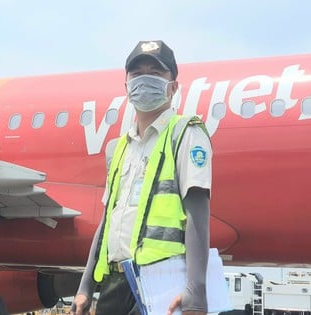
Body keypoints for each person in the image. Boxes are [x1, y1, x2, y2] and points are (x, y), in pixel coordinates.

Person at [71, 40, 212, 315]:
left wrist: (196, 289)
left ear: (173, 86)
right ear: (126, 87)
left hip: (161, 281)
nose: (145, 80)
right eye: (137, 75)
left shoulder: (185, 133)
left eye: (156, 74)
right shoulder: (119, 147)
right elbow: (107, 220)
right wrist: (85, 286)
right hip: (114, 281)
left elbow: (198, 212)